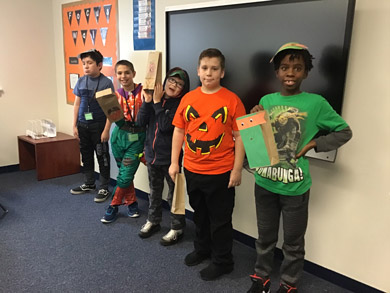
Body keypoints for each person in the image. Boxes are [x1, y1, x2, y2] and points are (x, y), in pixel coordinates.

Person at [246, 42, 352, 293]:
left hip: (295, 188)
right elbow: (258, 138)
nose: (290, 72)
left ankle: (289, 283)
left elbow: (344, 131)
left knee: (293, 242)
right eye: (284, 67)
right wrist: (254, 116)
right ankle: (261, 277)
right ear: (277, 72)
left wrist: (315, 143)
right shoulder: (267, 100)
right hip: (265, 183)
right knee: (265, 237)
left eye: (297, 68)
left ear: (306, 72)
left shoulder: (316, 103)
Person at [169, 48, 246, 281]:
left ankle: (223, 261)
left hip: (221, 172)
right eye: (204, 68)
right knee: (200, 215)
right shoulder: (188, 99)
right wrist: (175, 162)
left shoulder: (232, 100)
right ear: (198, 70)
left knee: (220, 220)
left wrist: (237, 169)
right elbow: (179, 130)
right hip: (192, 169)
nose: (208, 73)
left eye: (214, 69)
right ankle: (202, 249)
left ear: (222, 72)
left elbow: (241, 136)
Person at [137, 67, 190, 245]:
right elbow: (140, 122)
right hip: (152, 156)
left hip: (171, 160)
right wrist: (147, 101)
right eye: (171, 81)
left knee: (174, 196)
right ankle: (154, 221)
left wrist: (158, 103)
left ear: (184, 88)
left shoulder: (181, 105)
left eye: (179, 84)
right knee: (154, 192)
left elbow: (167, 126)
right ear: (165, 81)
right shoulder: (154, 100)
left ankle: (177, 227)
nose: (174, 85)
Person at [100, 60, 146, 223]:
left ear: (133, 74)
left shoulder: (144, 92)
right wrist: (106, 130)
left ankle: (113, 205)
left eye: (127, 72)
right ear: (116, 76)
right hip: (119, 137)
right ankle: (132, 203)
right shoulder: (115, 95)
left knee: (125, 176)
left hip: (137, 138)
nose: (123, 76)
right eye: (119, 73)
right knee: (124, 174)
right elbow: (110, 115)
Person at [70, 49, 114, 203]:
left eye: (89, 63)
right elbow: (77, 104)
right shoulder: (81, 81)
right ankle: (89, 183)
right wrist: (74, 125)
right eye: (84, 64)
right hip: (83, 125)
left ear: (100, 65)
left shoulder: (106, 82)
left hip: (98, 126)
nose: (86, 67)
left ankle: (104, 187)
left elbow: (111, 110)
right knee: (86, 155)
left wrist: (106, 129)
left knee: (102, 156)